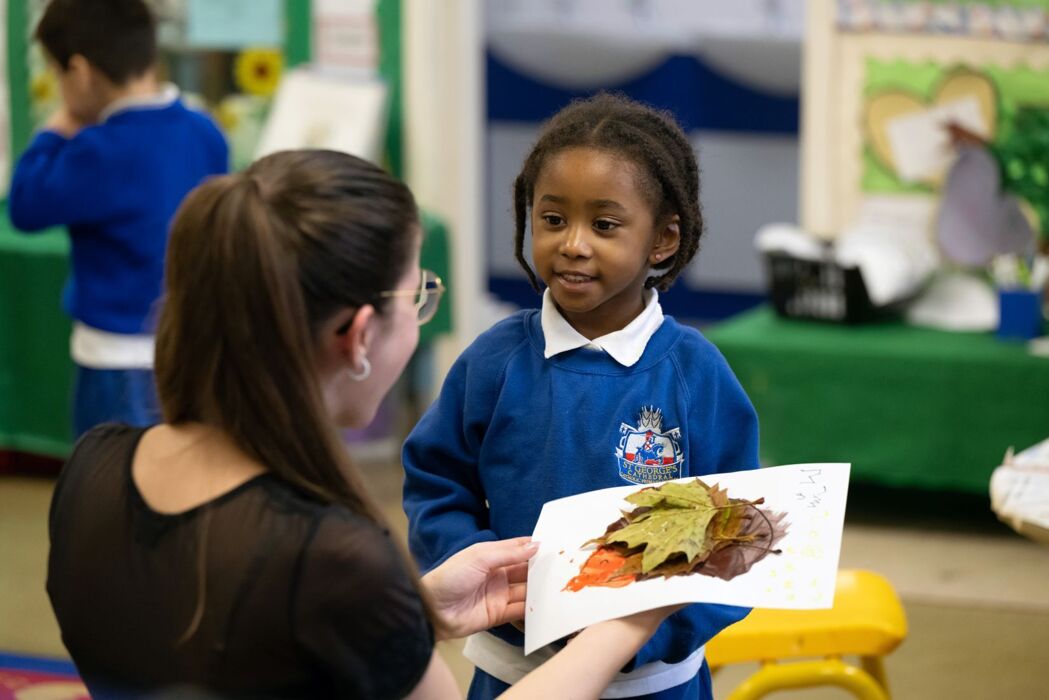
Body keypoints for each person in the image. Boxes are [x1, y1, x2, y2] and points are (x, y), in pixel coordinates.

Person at [46, 149, 679, 699]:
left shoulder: (93, 468)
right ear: (358, 336)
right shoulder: (334, 560)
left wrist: (413, 612)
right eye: (418, 296)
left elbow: (247, 656)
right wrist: (626, 622)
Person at [402, 93, 760, 699]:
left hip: (657, 682)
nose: (572, 244)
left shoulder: (695, 372)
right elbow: (436, 485)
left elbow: (740, 533)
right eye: (552, 219)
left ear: (663, 240)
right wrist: (494, 576)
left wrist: (646, 636)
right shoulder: (494, 361)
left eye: (604, 224)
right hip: (512, 671)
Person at [8, 0, 228, 437]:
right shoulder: (206, 132)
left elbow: (25, 204)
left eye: (57, 76)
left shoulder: (95, 151)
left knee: (108, 493)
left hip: (114, 364)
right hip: (193, 350)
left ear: (81, 72)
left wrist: (59, 125)